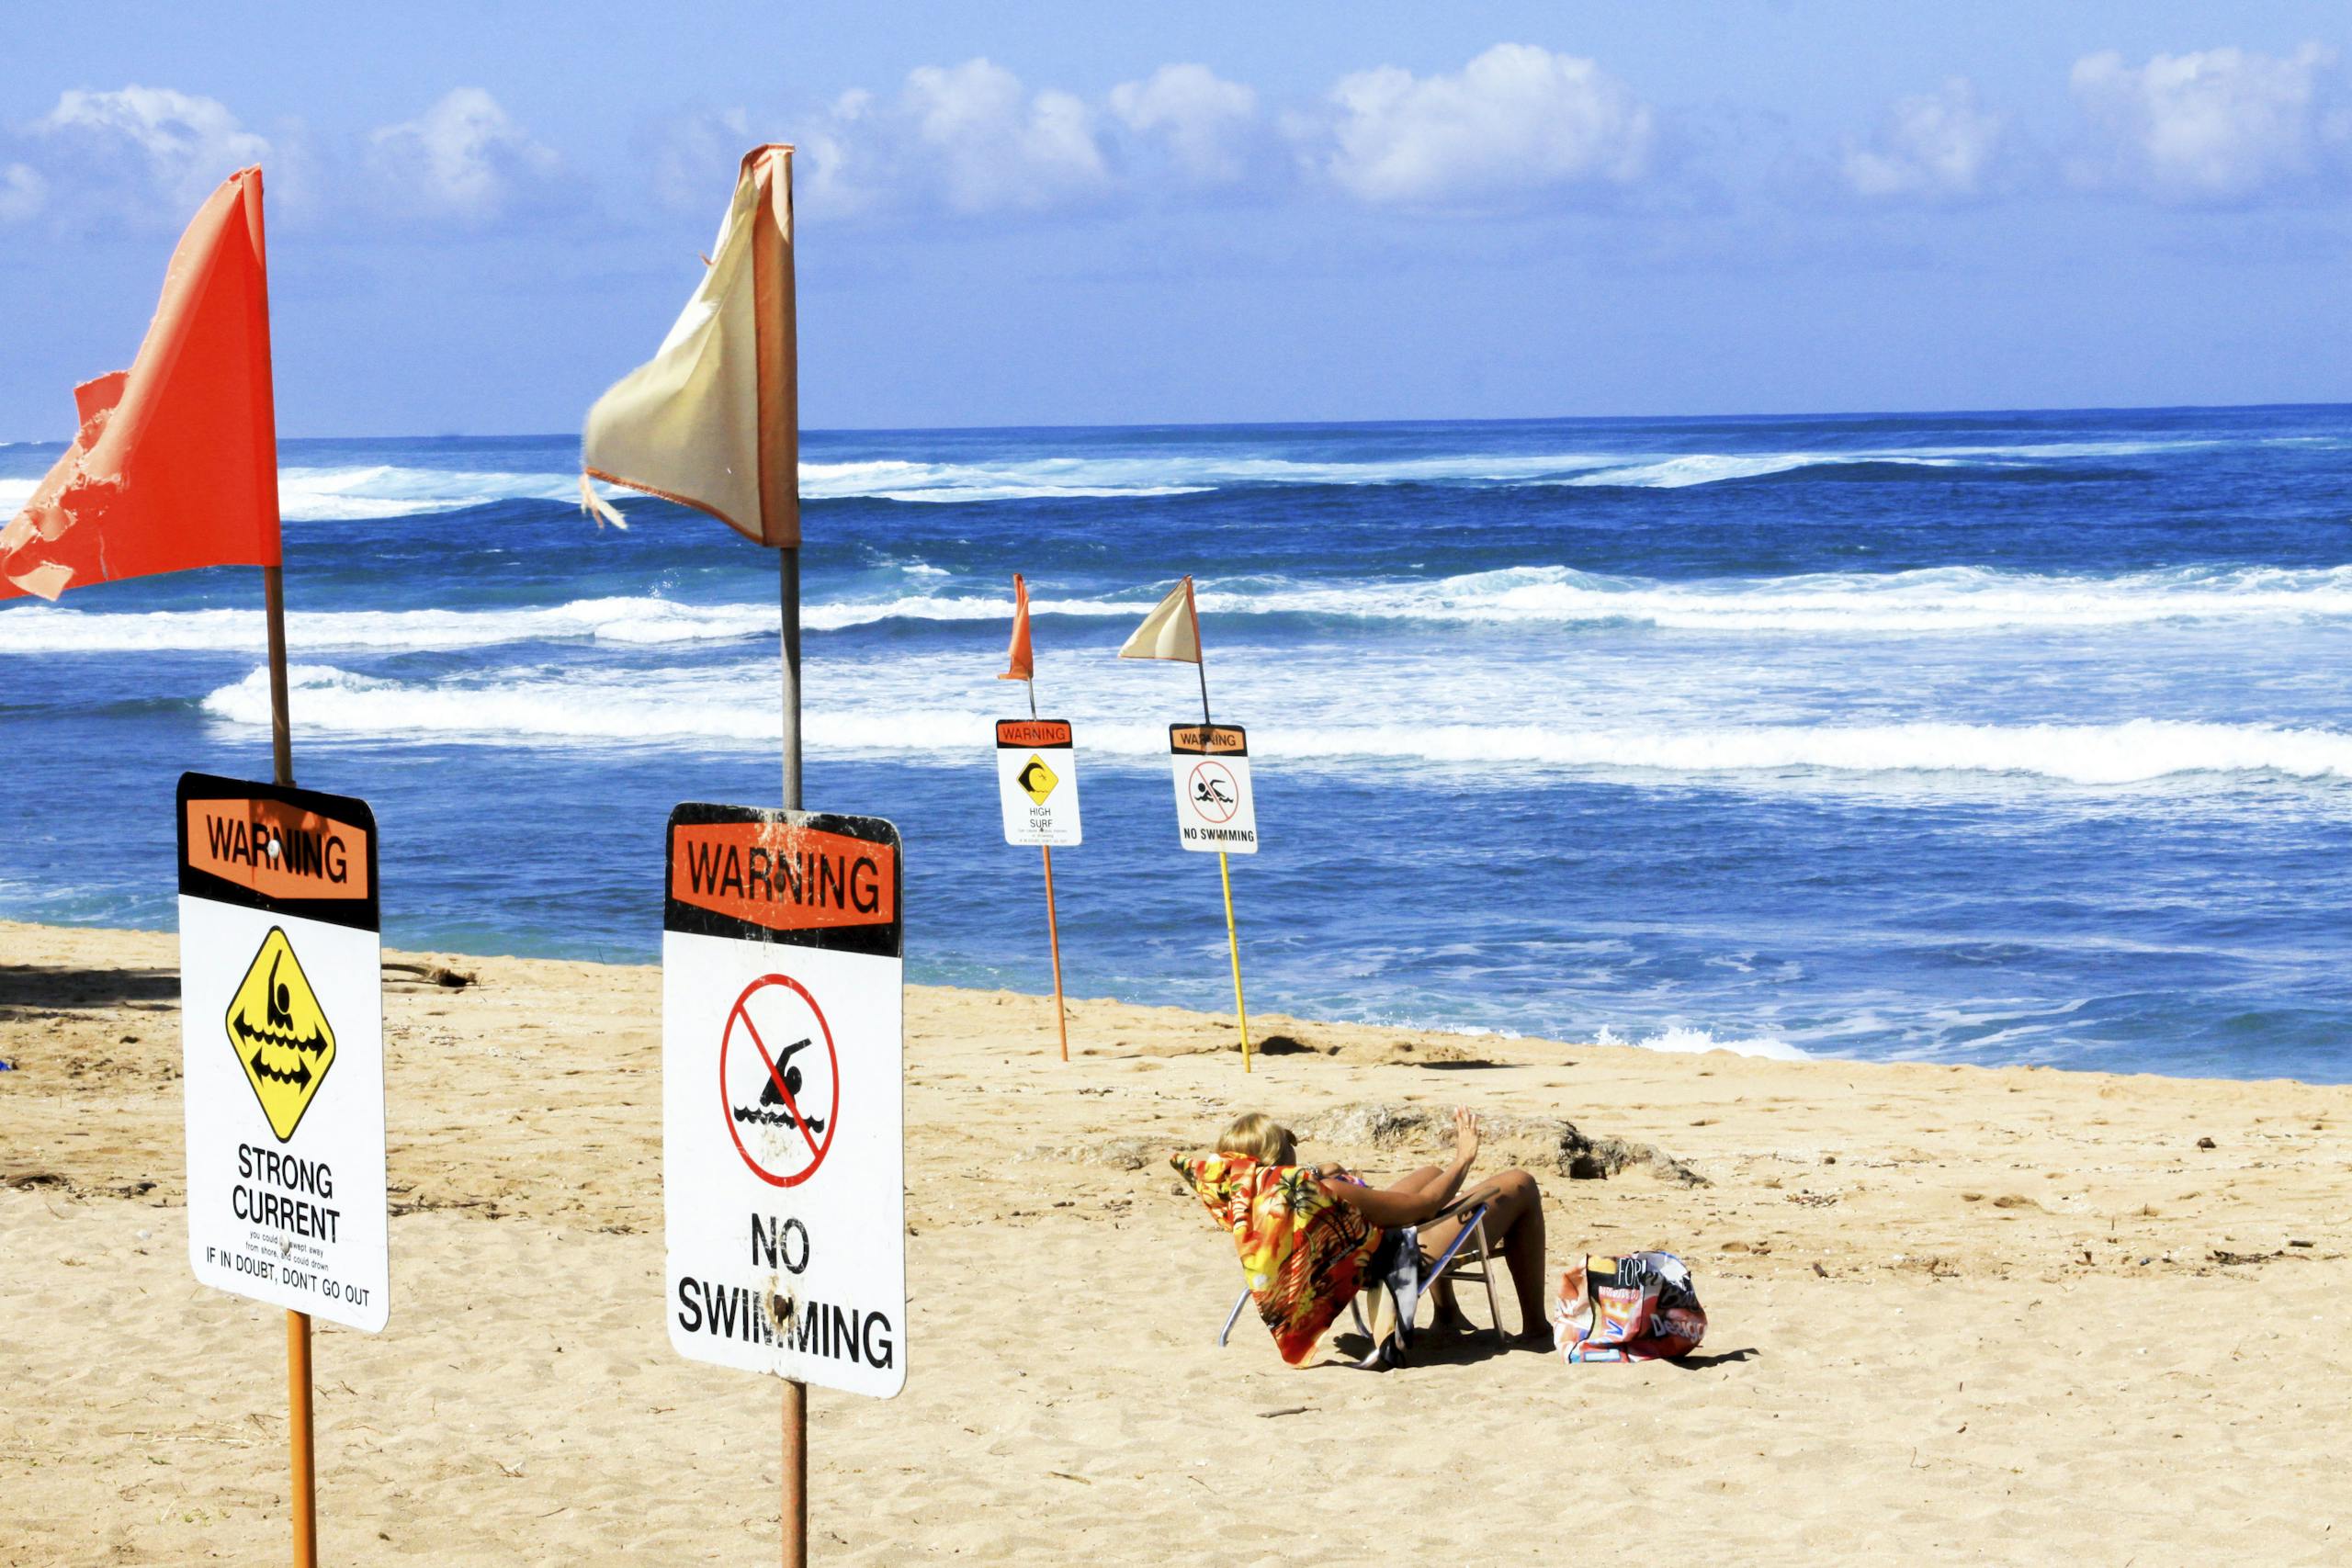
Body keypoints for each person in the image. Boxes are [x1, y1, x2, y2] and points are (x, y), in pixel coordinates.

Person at [1178, 1107, 1549, 1363]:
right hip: (1386, 1264)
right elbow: (1422, 1206)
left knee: (1429, 1170)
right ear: (1280, 1154)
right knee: (1520, 1183)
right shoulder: (1327, 1193)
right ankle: (1535, 1327)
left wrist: (1317, 1170)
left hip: (1328, 1265)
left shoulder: (1248, 1193)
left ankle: (1448, 1313)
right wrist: (1464, 1158)